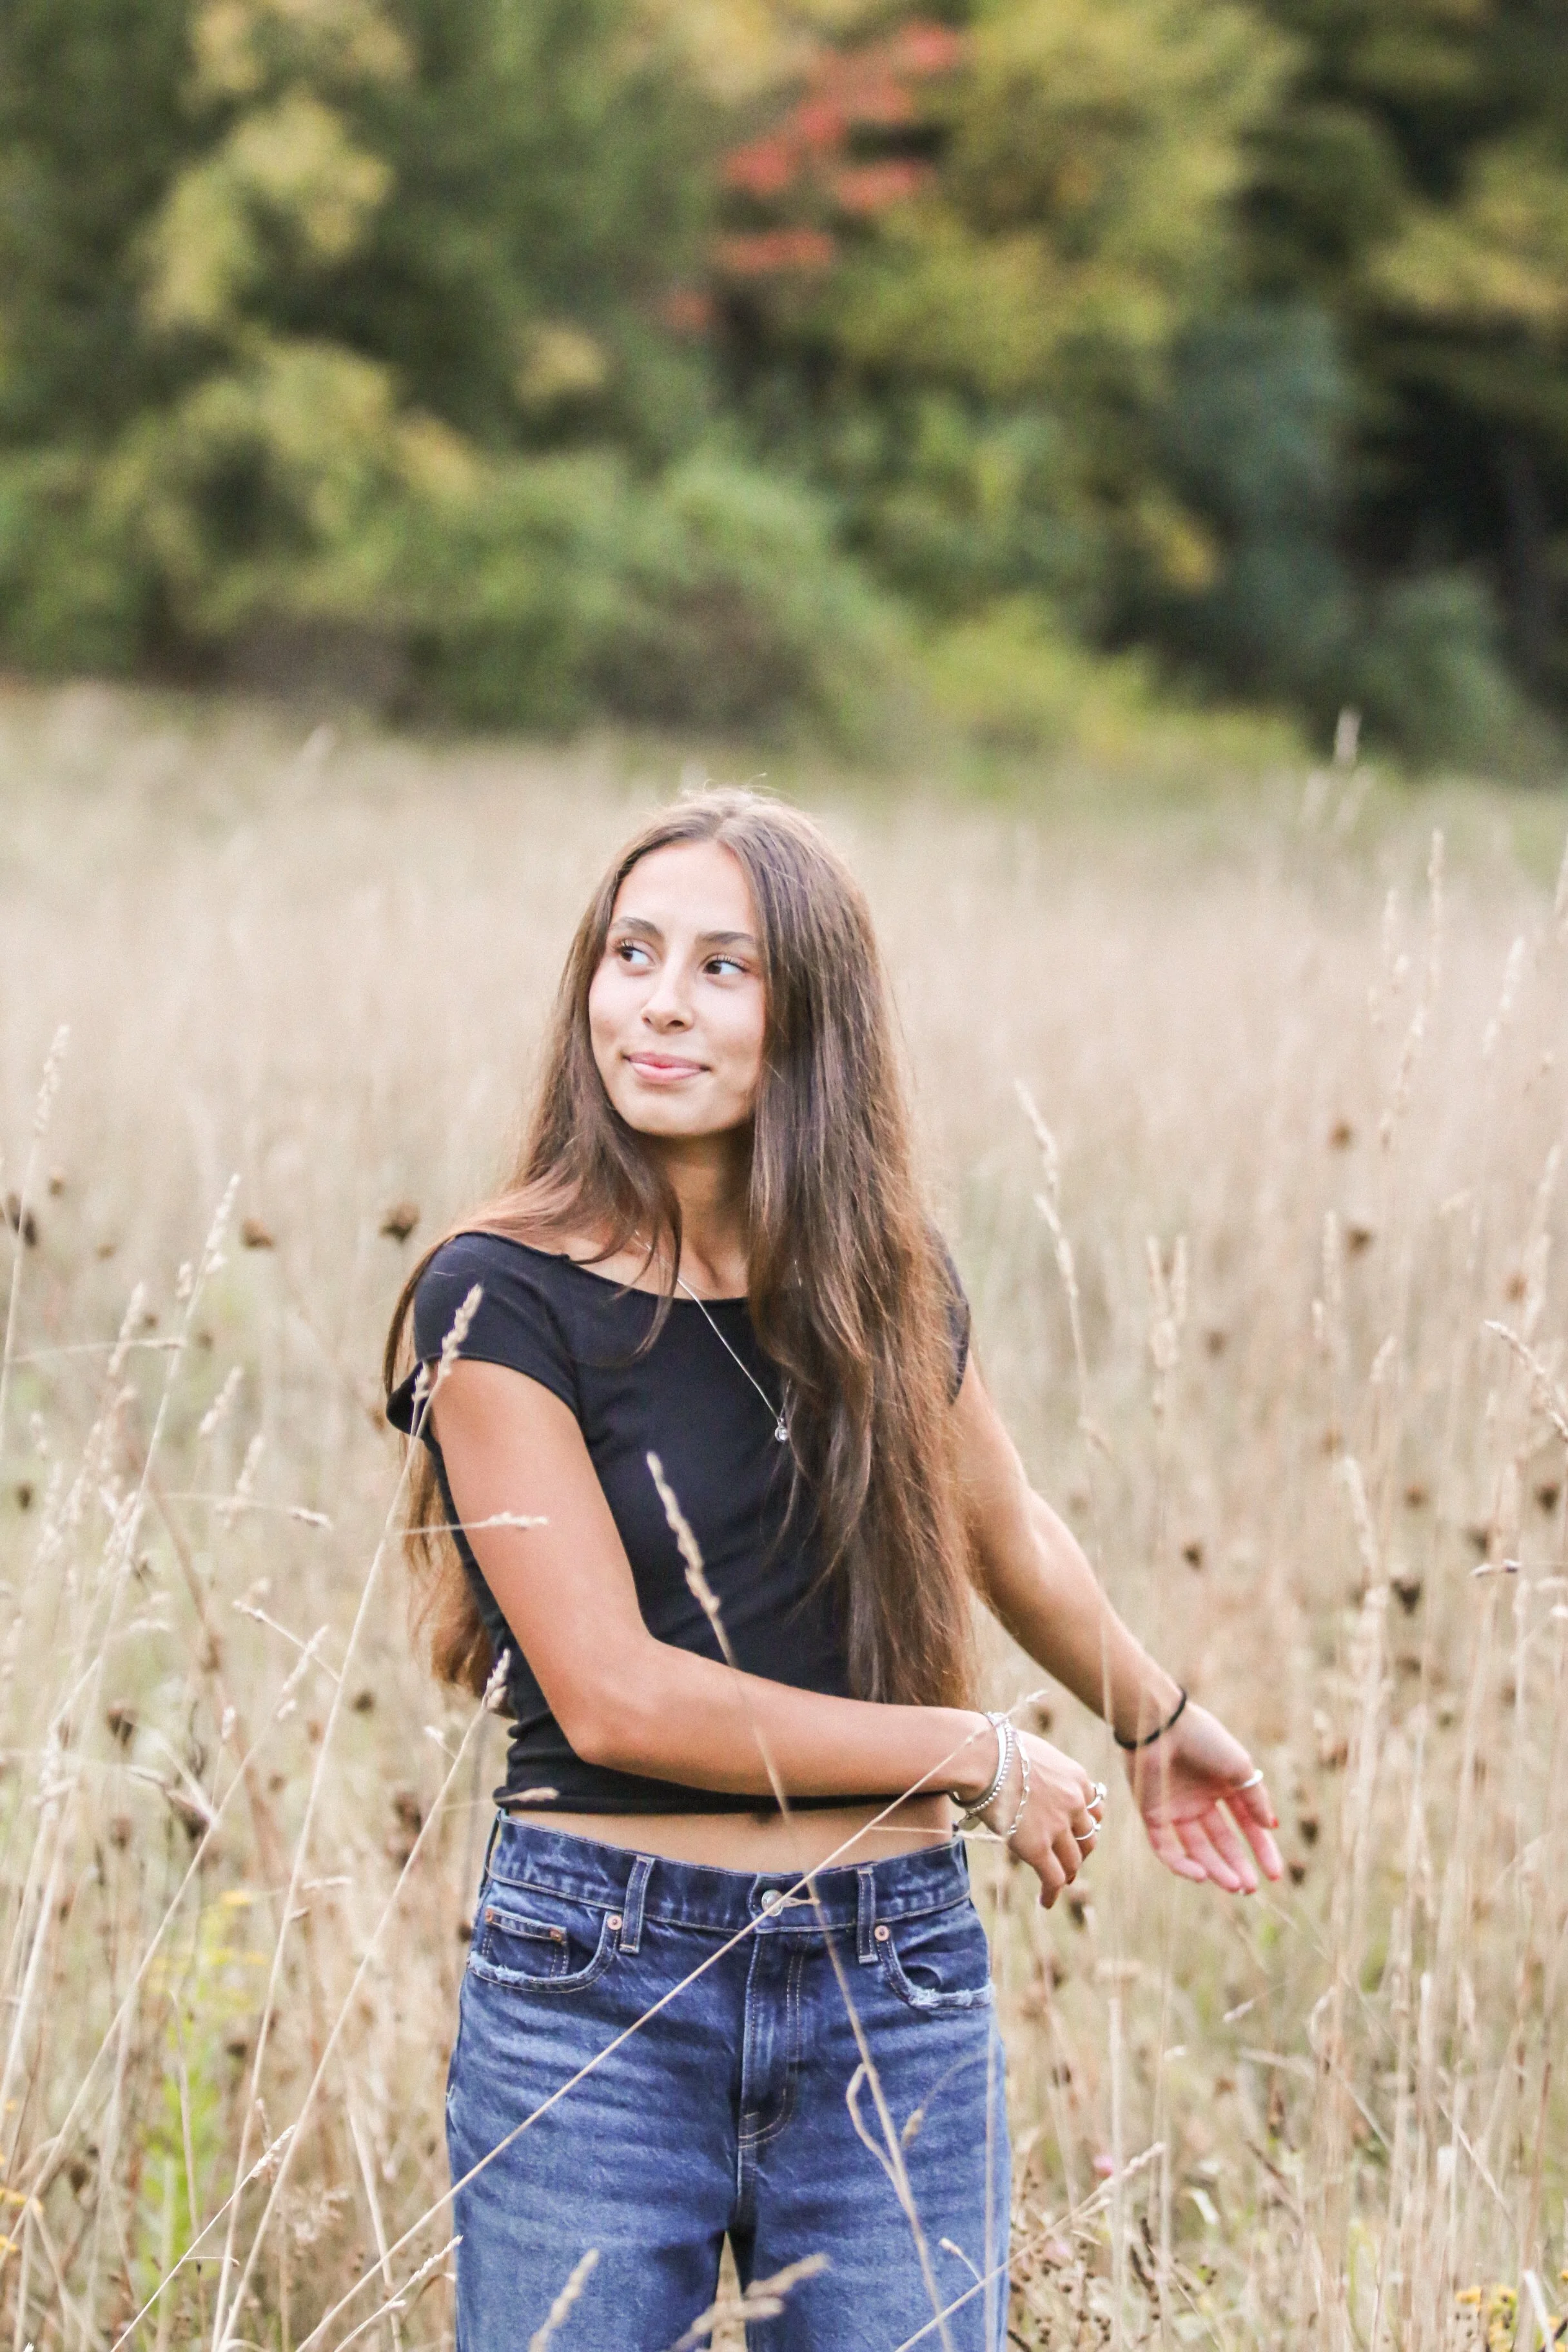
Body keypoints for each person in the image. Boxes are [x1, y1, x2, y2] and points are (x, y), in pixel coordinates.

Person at [384, 790, 1280, 2352]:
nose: (657, 1001)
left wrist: (1153, 1714)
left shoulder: (885, 1282)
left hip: (892, 1975)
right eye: (631, 952)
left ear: (813, 1021)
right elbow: (612, 1698)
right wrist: (978, 1756)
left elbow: (1004, 1532)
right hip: (598, 1984)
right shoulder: (499, 1297)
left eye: (722, 968)